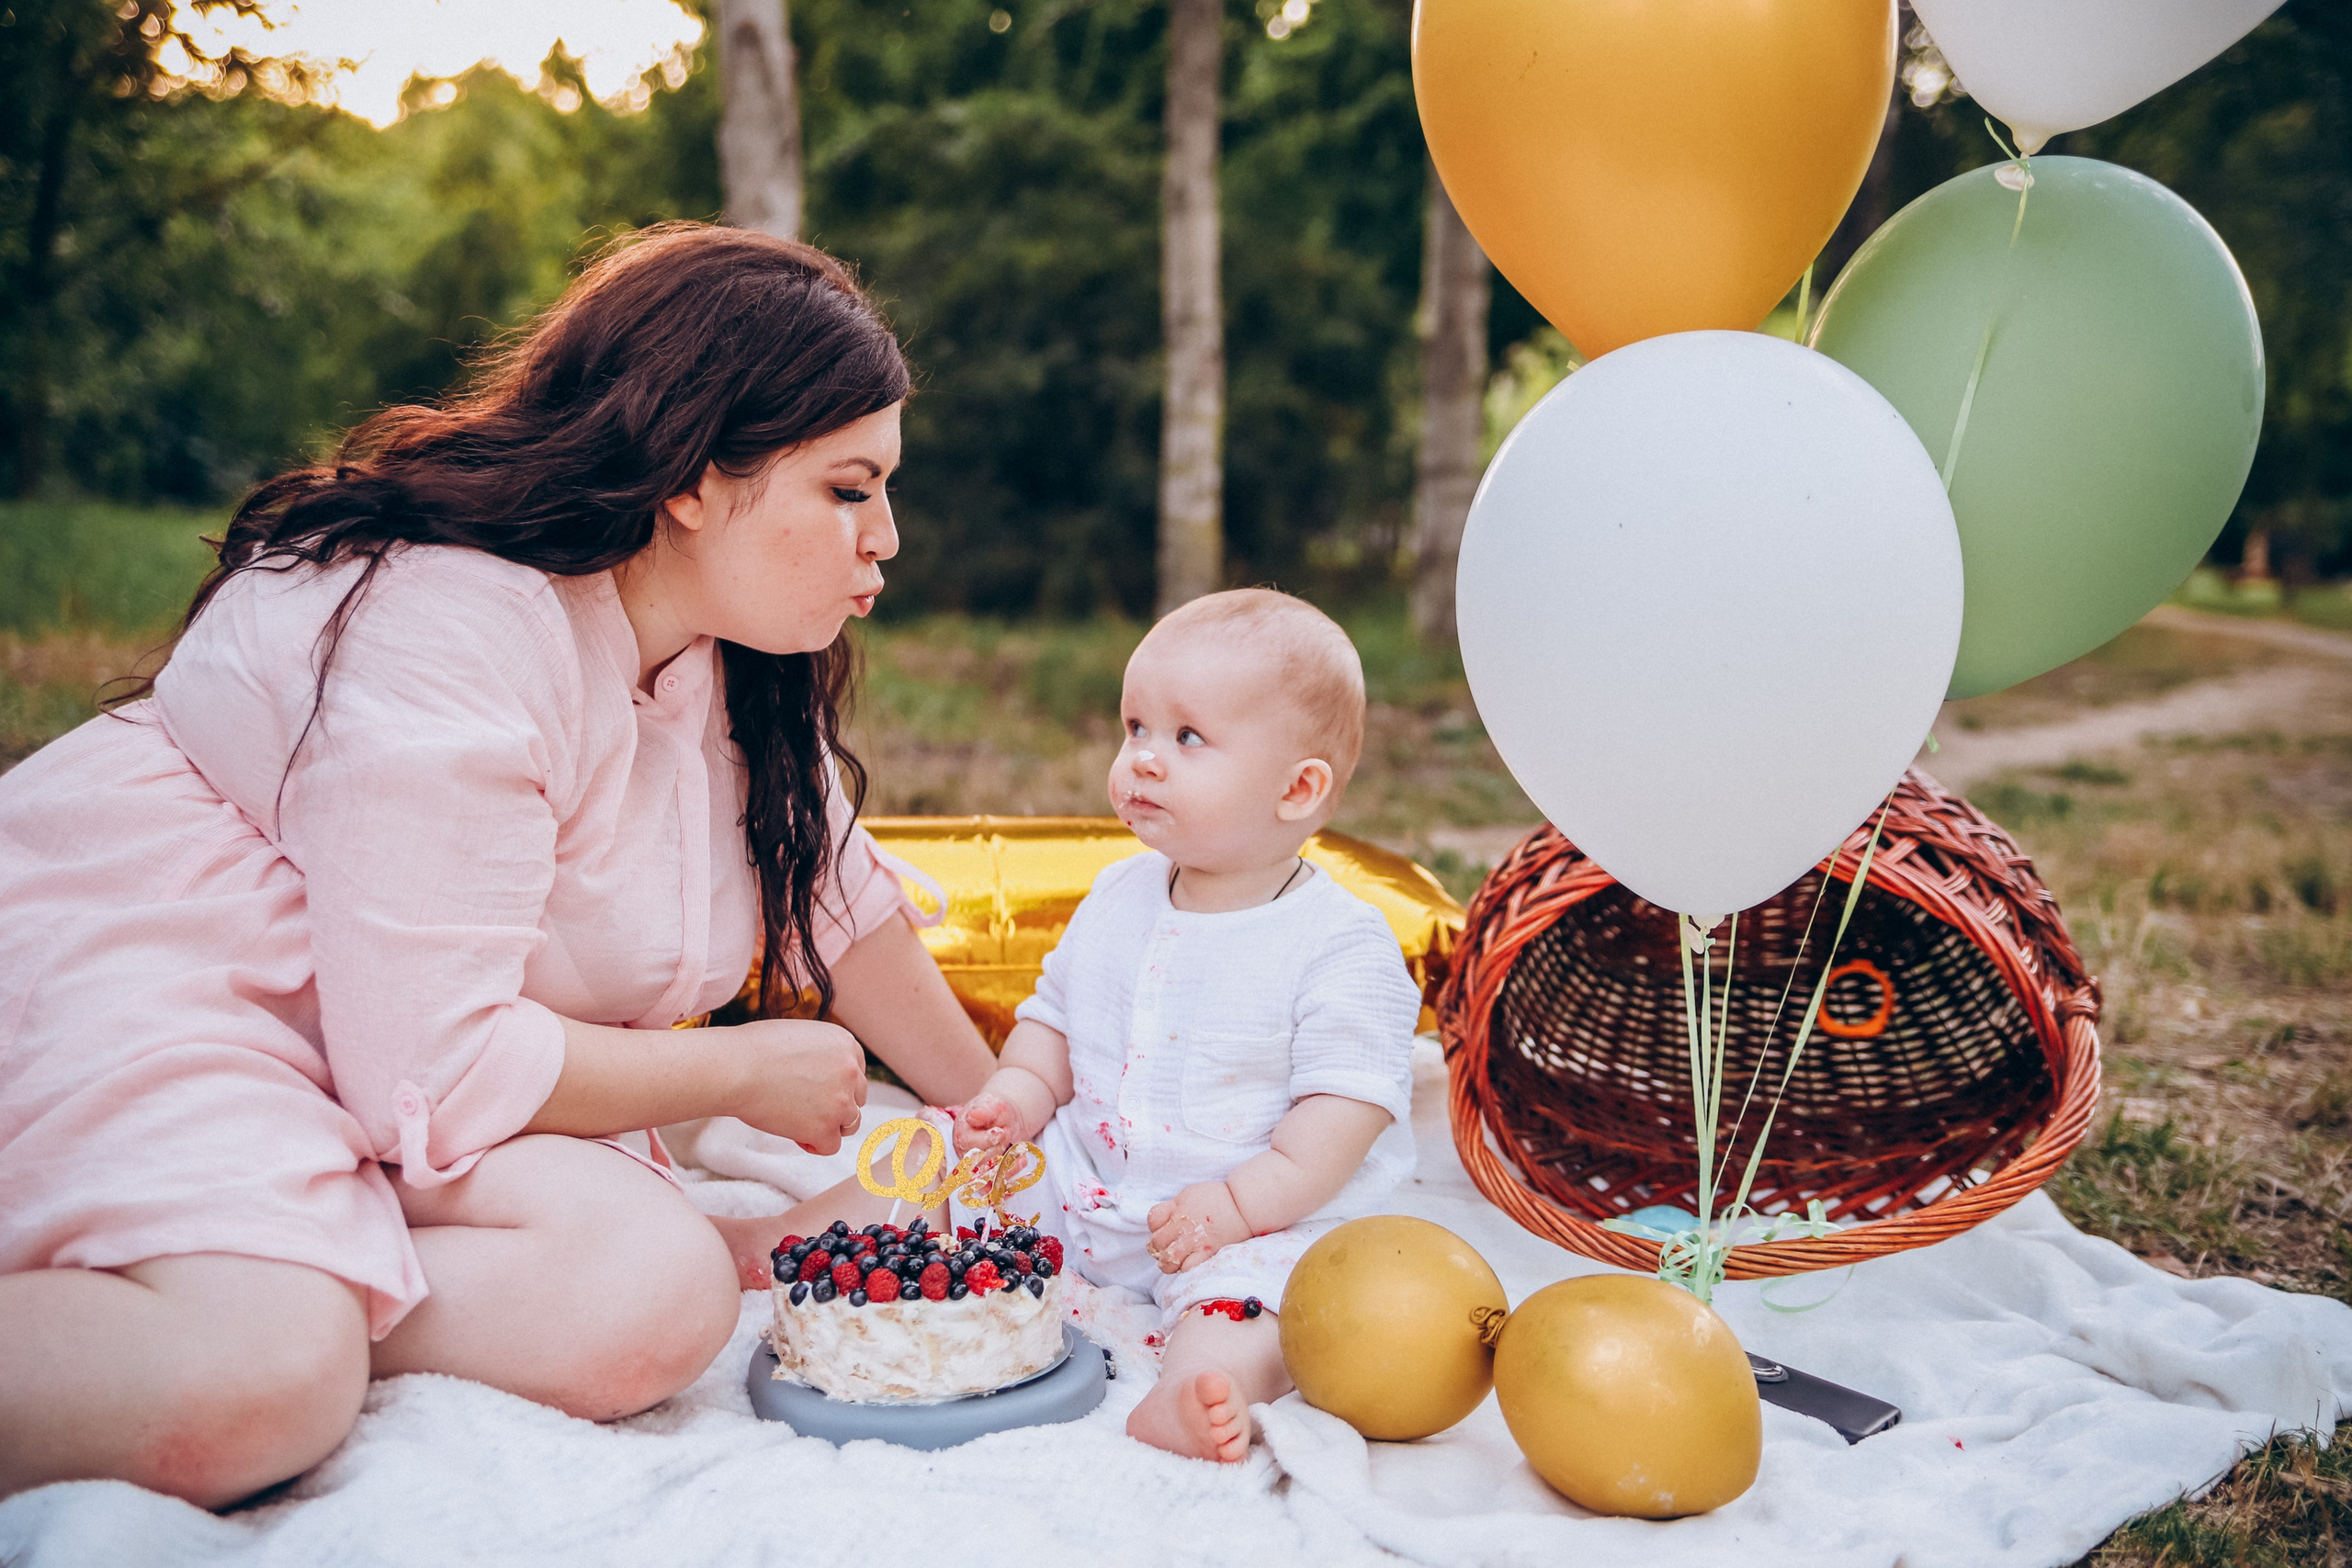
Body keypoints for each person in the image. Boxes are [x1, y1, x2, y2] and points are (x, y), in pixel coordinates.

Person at [0, 224, 998, 1507]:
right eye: (848, 489)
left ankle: (303, 1257)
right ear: (695, 476)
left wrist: (1002, 1126)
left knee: (657, 1293)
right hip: (162, 976)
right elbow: (442, 1065)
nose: (889, 539)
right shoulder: (456, 623)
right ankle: (258, 1293)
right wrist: (738, 1064)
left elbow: (839, 906)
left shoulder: (720, 646)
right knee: (260, 1379)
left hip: (379, 1064)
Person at [953, 589, 1421, 1462]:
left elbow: (1340, 1121)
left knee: (1259, 1308)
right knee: (947, 1162)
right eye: (1135, 728)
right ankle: (789, 1246)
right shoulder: (1115, 895)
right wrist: (1015, 1096)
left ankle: (1192, 1390)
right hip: (1089, 1185)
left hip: (1250, 1218)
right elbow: (1053, 1022)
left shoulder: (1339, 945)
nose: (1143, 760)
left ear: (1297, 787)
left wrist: (1241, 1204)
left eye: (1187, 737)